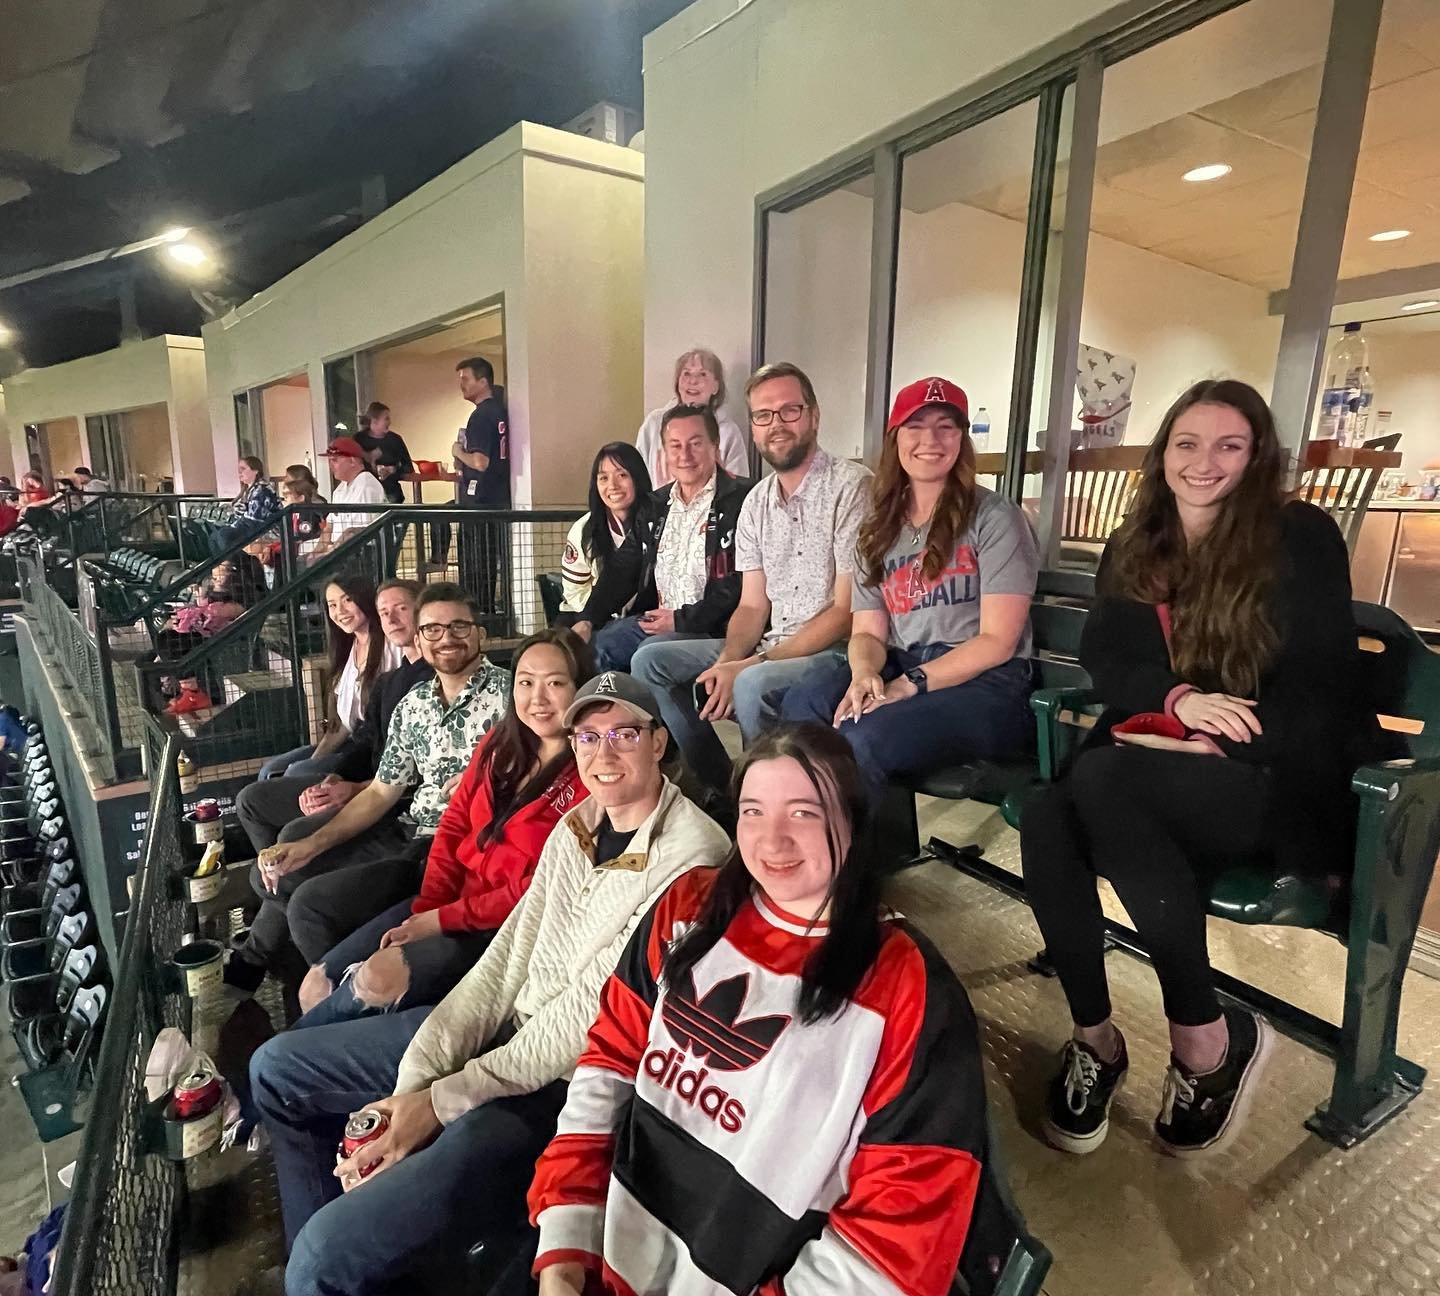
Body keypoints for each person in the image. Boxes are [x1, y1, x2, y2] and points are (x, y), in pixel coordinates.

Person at [247, 671, 729, 1294]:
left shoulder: (693, 853)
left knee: (322, 1256)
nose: (602, 754)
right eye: (587, 737)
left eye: (623, 735)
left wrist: (439, 1102)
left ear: (659, 742)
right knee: (275, 1069)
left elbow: (589, 1014)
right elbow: (505, 960)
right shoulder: (577, 822)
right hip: (496, 1042)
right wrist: (415, 1085)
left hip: (561, 1087)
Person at [1020, 378, 1386, 1160]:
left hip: (1266, 784)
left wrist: (1225, 741)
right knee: (1050, 812)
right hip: (1153, 773)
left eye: (1228, 445)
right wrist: (1179, 701)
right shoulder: (1138, 540)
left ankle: (1206, 1043)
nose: (1203, 462)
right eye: (1187, 444)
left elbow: (1326, 688)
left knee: (1097, 780)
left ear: (1257, 457)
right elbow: (1107, 656)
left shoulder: (1299, 537)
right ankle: (1097, 1039)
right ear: (1164, 454)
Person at [530, 724, 988, 1295]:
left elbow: (891, 1248)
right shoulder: (687, 904)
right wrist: (565, 1241)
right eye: (752, 811)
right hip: (604, 1258)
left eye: (804, 813)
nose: (772, 842)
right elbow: (608, 1063)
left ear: (852, 820)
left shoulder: (909, 989)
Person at [288, 628, 594, 1023]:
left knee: (376, 982)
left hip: (502, 931)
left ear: (579, 688)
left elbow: (539, 888)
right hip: (447, 903)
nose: (537, 698)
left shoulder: (589, 773)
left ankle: (280, 1067)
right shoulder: (499, 743)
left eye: (555, 683)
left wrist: (440, 921)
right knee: (316, 985)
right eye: (525, 682)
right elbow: (452, 826)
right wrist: (430, 908)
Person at [227, 583, 508, 988]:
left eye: (459, 627)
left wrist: (488, 778)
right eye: (433, 630)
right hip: (404, 826)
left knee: (308, 904)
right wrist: (311, 845)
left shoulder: (512, 693)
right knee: (277, 872)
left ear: (480, 633)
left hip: (451, 845)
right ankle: (331, 979)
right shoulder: (414, 703)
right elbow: (381, 791)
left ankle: (343, 1001)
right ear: (419, 637)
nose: (446, 638)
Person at [782, 376, 1037, 790]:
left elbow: (998, 641)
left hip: (988, 685)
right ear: (895, 439)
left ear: (962, 439)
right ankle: (806, 833)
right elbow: (867, 631)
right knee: (802, 705)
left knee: (863, 737)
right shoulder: (878, 528)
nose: (930, 440)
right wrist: (865, 673)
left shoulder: (994, 518)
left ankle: (849, 851)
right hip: (904, 660)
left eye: (945, 426)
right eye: (915, 427)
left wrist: (909, 684)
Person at [632, 361, 872, 791]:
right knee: (650, 660)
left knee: (751, 685)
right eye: (763, 415)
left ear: (814, 416)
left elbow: (846, 612)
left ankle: (765, 798)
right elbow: (751, 605)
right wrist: (726, 663)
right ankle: (723, 786)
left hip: (834, 650)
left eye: (789, 411)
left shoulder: (852, 487)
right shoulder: (757, 502)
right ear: (753, 429)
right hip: (771, 642)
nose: (775, 424)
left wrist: (747, 666)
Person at [235, 580, 429, 862]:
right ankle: (271, 873)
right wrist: (335, 777)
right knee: (252, 799)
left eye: (401, 608)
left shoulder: (433, 680)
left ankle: (278, 874)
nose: (391, 618)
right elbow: (365, 738)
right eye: (384, 611)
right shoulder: (390, 680)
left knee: (292, 831)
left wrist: (355, 787)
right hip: (363, 778)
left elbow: (418, 773)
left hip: (390, 798)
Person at [576, 405, 752, 673]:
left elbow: (741, 584)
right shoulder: (655, 505)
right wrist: (587, 619)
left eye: (695, 444)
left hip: (718, 629)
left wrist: (681, 621)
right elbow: (623, 568)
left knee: (647, 654)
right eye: (675, 446)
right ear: (664, 453)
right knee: (589, 647)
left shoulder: (743, 499)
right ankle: (615, 715)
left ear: (715, 446)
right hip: (660, 620)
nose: (685, 455)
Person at [258, 576, 403, 782]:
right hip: (351, 739)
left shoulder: (393, 645)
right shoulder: (346, 647)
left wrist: (309, 768)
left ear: (365, 599)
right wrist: (316, 759)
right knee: (270, 771)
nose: (340, 611)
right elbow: (342, 725)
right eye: (332, 605)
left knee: (294, 775)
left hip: (376, 747)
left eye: (347, 600)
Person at [556, 443, 655, 624]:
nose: (613, 486)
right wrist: (598, 616)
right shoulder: (584, 528)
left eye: (622, 475)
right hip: (588, 615)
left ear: (638, 478)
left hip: (643, 616)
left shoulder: (656, 521)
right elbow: (574, 590)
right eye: (603, 478)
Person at [635, 348, 749, 486]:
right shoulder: (654, 423)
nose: (693, 381)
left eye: (702, 374)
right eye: (687, 374)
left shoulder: (728, 431)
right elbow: (637, 474)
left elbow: (739, 485)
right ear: (678, 383)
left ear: (716, 386)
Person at [452, 356, 510, 619]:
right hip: (499, 496)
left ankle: (477, 609)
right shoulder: (500, 410)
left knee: (477, 558)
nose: (461, 385)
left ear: (483, 382)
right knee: (490, 557)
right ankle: (484, 607)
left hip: (482, 498)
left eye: (466, 379)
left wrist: (457, 451)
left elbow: (480, 461)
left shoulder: (481, 415)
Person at [316, 437, 385, 552]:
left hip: (362, 555)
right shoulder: (340, 488)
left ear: (352, 461)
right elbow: (329, 525)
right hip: (341, 553)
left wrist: (328, 554)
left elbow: (357, 533)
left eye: (335, 460)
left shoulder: (366, 485)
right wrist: (315, 553)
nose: (330, 465)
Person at [213, 456, 281, 553]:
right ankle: (220, 565)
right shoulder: (247, 490)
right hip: (247, 527)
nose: (239, 473)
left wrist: (232, 527)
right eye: (238, 470)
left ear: (256, 471)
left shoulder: (262, 490)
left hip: (265, 530)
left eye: (243, 469)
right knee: (213, 535)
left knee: (224, 535)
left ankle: (236, 564)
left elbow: (254, 520)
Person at [355, 401, 413, 495]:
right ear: (374, 421)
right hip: (364, 493)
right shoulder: (359, 439)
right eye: (386, 419)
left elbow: (408, 468)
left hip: (391, 493)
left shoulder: (395, 440)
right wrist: (368, 457)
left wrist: (392, 469)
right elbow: (352, 466)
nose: (390, 422)